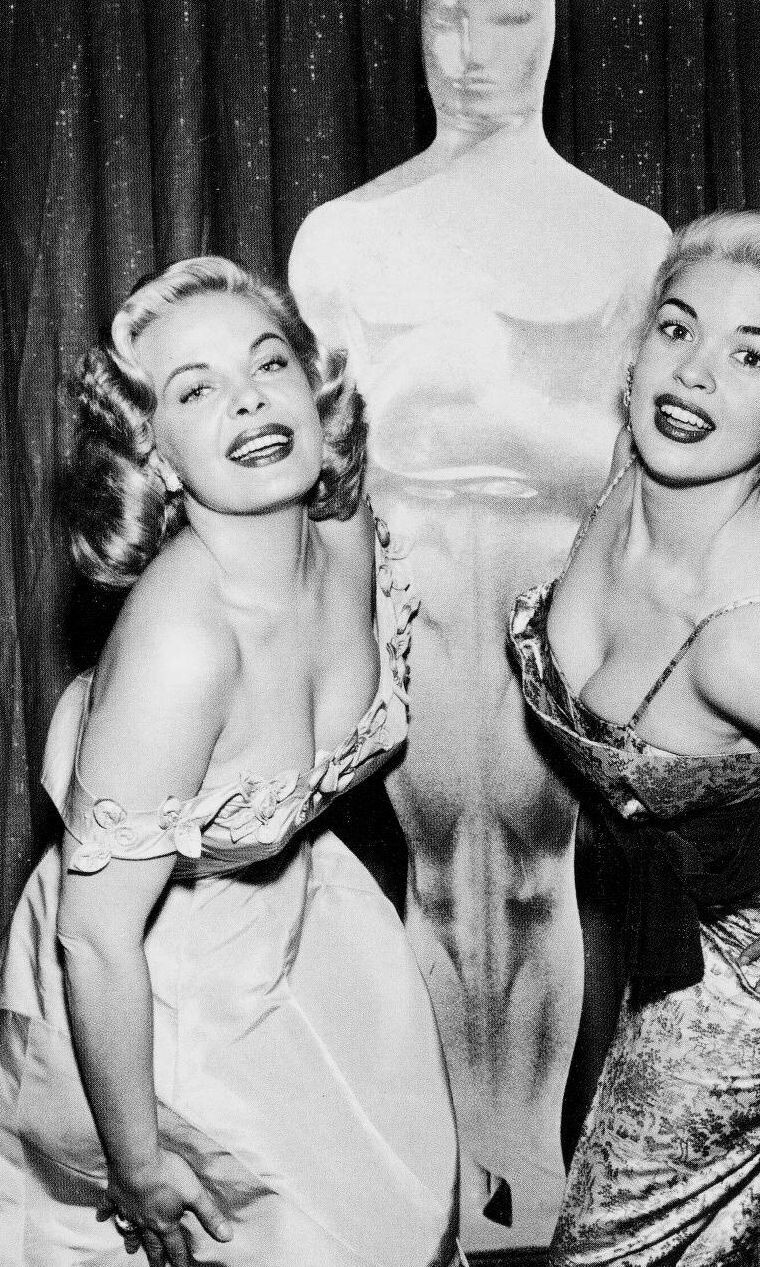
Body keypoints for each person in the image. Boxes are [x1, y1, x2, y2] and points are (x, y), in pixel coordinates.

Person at [289, 0, 669, 1242]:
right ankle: (456, 1173)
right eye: (447, 17)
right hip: (414, 605)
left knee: (535, 877)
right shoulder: (343, 237)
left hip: (544, 608)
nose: (469, 53)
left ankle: (530, 1180)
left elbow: (636, 466)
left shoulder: (626, 240)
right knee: (444, 879)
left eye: (506, 17)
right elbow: (325, 470)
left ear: (552, 25)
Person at [0, 258, 459, 1267]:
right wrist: (136, 1164)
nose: (249, 398)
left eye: (269, 363)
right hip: (144, 982)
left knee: (391, 1214)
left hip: (297, 918)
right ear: (155, 455)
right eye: (195, 389)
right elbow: (96, 939)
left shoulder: (342, 527)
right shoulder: (181, 642)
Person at [509, 209, 760, 1264]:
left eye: (751, 355)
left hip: (752, 996)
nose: (693, 374)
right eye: (679, 328)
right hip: (656, 934)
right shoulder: (634, 473)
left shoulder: (755, 643)